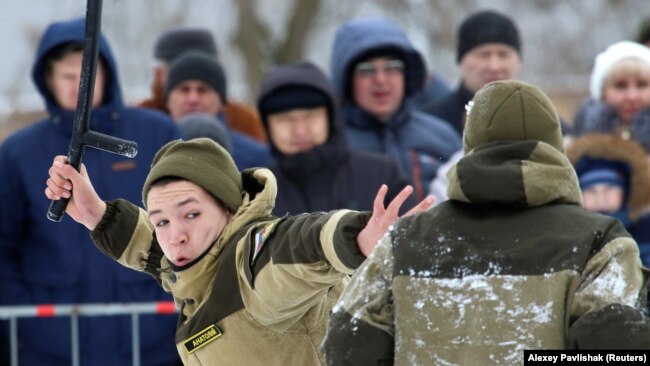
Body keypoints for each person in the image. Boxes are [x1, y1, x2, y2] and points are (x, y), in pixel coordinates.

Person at [323, 80, 650, 365]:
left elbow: (347, 342)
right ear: (555, 145)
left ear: (470, 145)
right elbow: (617, 345)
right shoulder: (600, 240)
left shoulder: (405, 240)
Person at [44, 137, 434, 365]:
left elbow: (297, 243)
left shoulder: (252, 262)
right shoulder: (197, 262)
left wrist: (358, 239)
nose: (175, 235)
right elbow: (155, 250)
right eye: (162, 220)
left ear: (229, 211)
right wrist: (95, 213)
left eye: (191, 214)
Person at [0, 18, 181, 365]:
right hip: (54, 344)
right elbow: (3, 248)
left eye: (88, 74)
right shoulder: (18, 152)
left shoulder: (156, 134)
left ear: (108, 73)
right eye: (68, 76)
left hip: (153, 338)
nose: (78, 86)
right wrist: (26, 321)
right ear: (48, 78)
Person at [257, 60, 415, 215]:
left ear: (330, 118)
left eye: (309, 117)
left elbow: (413, 235)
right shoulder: (257, 193)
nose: (299, 130)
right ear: (267, 125)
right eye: (285, 120)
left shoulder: (381, 175)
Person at [330, 17, 461, 200]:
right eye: (367, 70)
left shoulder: (443, 137)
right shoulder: (330, 143)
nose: (380, 80)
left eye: (391, 68)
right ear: (347, 80)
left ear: (406, 75)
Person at [139, 26, 267, 142]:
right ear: (158, 74)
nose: (193, 98)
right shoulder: (139, 120)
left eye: (202, 66)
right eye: (180, 67)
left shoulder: (244, 123)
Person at [164, 50, 272, 170]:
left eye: (203, 90)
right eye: (184, 89)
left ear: (222, 102)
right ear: (168, 101)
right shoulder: (147, 149)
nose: (193, 99)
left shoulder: (259, 160)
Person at [422, 10, 522, 136]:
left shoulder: (537, 122)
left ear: (519, 61)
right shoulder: (430, 124)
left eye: (503, 54)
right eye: (483, 55)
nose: (494, 66)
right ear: (461, 61)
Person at [573, 41, 650, 141]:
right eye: (620, 86)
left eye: (641, 85)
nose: (632, 96)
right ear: (602, 92)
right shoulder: (572, 151)